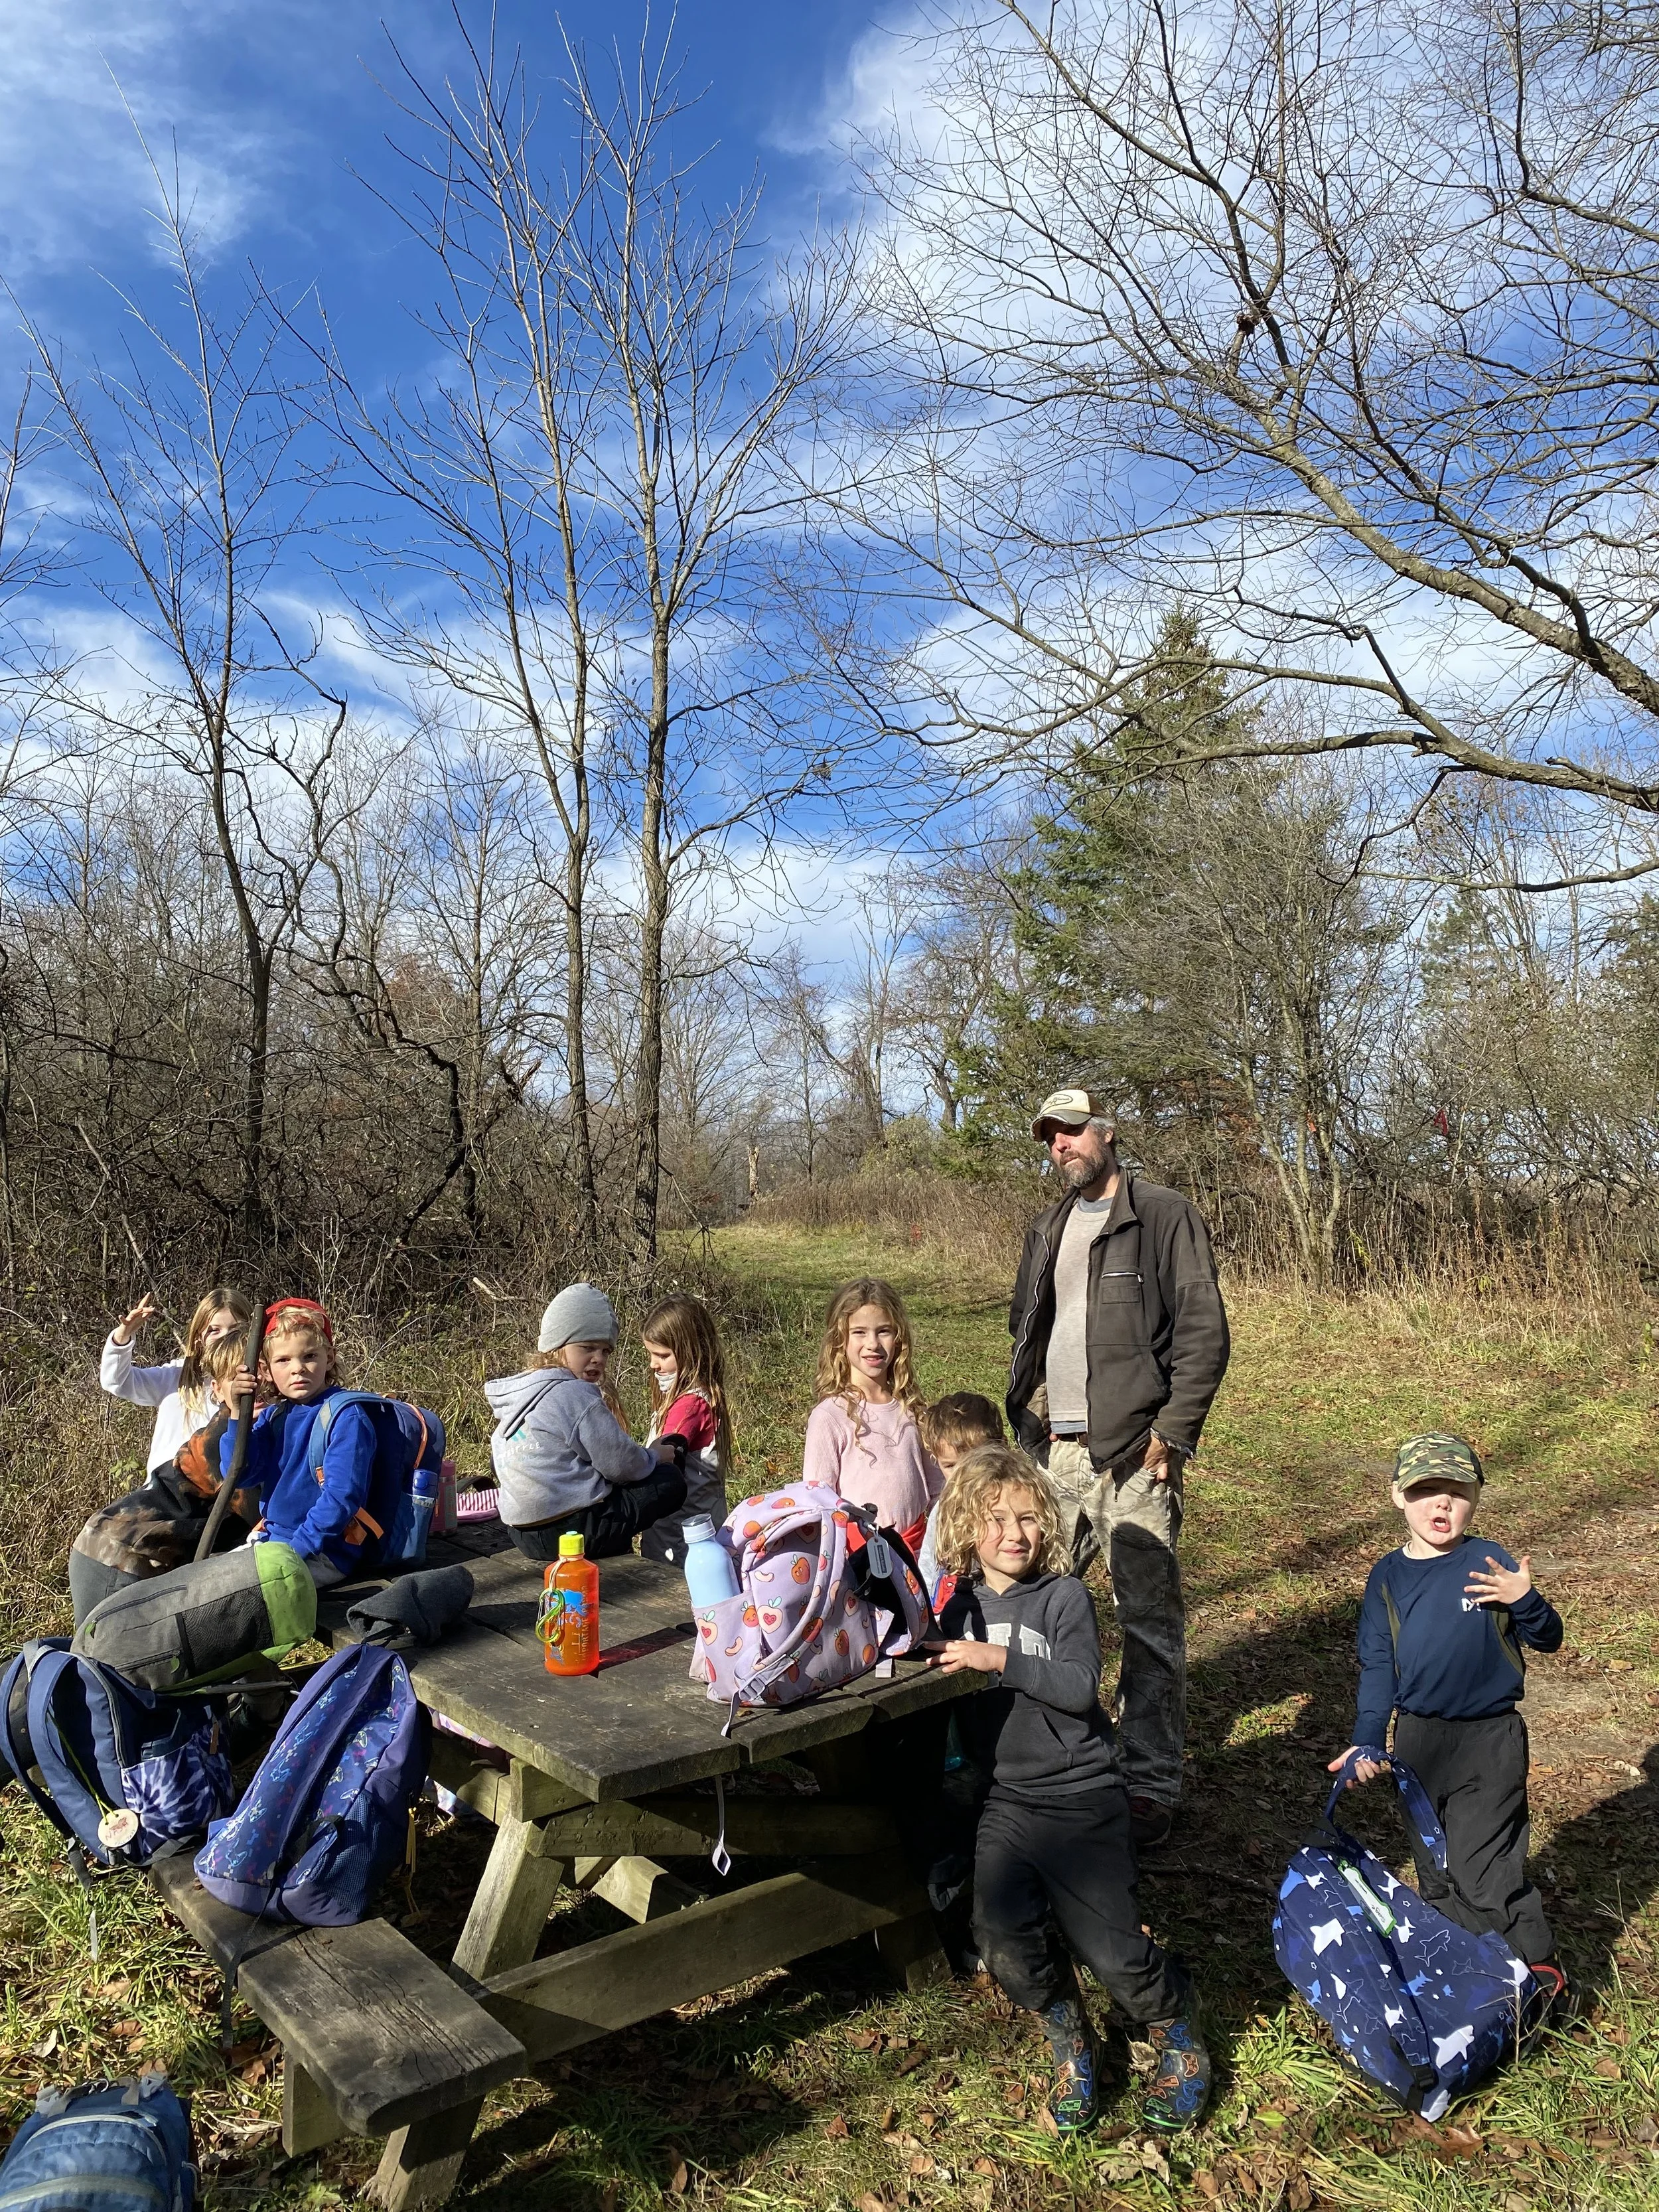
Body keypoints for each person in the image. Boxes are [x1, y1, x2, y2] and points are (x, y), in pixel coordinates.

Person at [930, 1444, 1210, 2136]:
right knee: (999, 1933)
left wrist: (998, 1658)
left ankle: (1176, 2026)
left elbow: (1078, 1686)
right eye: (995, 1520)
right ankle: (1068, 2038)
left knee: (1113, 1951)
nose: (1014, 1534)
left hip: (1084, 1797)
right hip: (1009, 1802)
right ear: (967, 1527)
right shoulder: (954, 1608)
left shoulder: (1063, 1598)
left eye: (1028, 1518)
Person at [1007, 1088, 1231, 1847]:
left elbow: (1204, 1331)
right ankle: (1057, 1765)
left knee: (1149, 1628)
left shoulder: (1161, 1215)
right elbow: (1027, 1332)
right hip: (1057, 1454)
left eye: (1069, 1131)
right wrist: (1028, 1425)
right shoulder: (1048, 1227)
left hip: (1137, 1456)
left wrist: (1174, 1431)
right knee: (1036, 1608)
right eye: (1049, 1138)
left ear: (1105, 1133)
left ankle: (1149, 1784)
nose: (1059, 1147)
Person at [1329, 1434, 1567, 2008]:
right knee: (1436, 1872)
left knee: (1486, 1870)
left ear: (1475, 1500)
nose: (1442, 1505)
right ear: (1398, 1497)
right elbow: (1379, 1663)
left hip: (1490, 1739)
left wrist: (1524, 1598)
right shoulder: (1387, 1576)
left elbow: (1549, 1638)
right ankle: (1475, 1980)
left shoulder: (1492, 1563)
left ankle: (1543, 1977)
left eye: (1456, 1493)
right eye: (1426, 1491)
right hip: (1418, 1741)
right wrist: (1367, 1740)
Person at [69, 1331, 261, 1623]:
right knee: (110, 1661)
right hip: (121, 1557)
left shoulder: (242, 1425)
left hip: (129, 1551)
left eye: (263, 1377)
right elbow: (262, 1512)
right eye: (241, 1382)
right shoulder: (228, 1438)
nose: (255, 1389)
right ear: (218, 1390)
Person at [486, 1283, 687, 1562]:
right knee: (669, 1482)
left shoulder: (521, 1396)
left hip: (522, 1534)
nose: (598, 1359)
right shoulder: (575, 1394)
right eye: (587, 1347)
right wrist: (655, 1456)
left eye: (606, 1351)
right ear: (557, 1346)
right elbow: (622, 1464)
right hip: (573, 1533)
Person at [216, 1297, 385, 1589]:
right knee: (202, 1585)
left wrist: (295, 1552)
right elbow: (240, 1474)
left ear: (329, 1359)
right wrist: (235, 1414)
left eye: (309, 1356)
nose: (298, 1369)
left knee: (231, 1600)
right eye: (284, 1360)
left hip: (322, 1552)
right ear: (266, 1370)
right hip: (272, 1541)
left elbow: (341, 1497)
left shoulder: (345, 1417)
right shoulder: (275, 1416)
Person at [802, 1278, 942, 1553]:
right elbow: (818, 1504)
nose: (873, 1344)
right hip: (859, 1560)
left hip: (918, 1552)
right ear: (840, 1339)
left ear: (899, 1337)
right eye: (860, 1332)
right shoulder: (829, 1417)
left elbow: (939, 1490)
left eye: (884, 1331)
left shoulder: (913, 1409)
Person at [99, 1288, 252, 1473]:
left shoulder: (256, 1386)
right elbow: (117, 1381)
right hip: (163, 1496)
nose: (225, 1338)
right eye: (214, 1331)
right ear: (198, 1339)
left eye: (235, 1330)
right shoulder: (176, 1377)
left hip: (221, 1496)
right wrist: (123, 1337)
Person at [638, 1293, 733, 1566]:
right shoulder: (699, 1397)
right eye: (651, 1354)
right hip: (693, 1527)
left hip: (681, 1539)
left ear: (692, 1351)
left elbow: (661, 1459)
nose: (653, 1364)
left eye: (662, 1356)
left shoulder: (689, 1406)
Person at [916, 1391, 1005, 1609]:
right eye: (951, 1466)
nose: (964, 1474)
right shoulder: (945, 1509)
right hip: (951, 1613)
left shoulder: (1015, 1503)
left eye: (975, 1460)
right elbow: (929, 1569)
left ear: (1002, 1448)